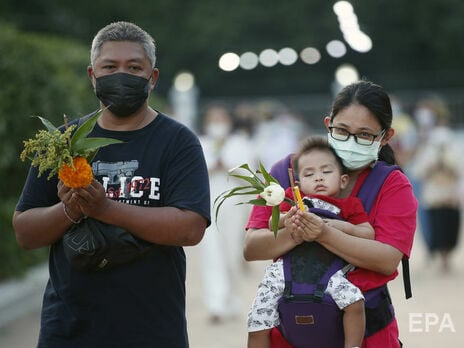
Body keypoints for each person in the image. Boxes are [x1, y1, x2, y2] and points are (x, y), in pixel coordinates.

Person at [12, 21, 210, 348]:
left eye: (134, 67)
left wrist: (105, 208)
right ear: (93, 75)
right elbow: (25, 232)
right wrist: (70, 210)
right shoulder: (62, 143)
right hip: (69, 331)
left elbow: (190, 229)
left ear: (152, 77)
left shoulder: (178, 142)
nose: (122, 75)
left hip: (152, 331)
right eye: (110, 66)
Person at [244, 80, 418, 348]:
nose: (351, 141)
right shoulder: (289, 170)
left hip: (367, 333)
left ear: (386, 136)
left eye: (365, 135)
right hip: (291, 330)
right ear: (328, 125)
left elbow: (386, 259)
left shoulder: (391, 185)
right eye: (342, 130)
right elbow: (252, 247)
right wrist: (296, 231)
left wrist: (324, 233)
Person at [247, 136, 374, 348]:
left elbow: (367, 233)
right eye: (309, 174)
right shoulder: (291, 199)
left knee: (355, 302)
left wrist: (341, 227)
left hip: (330, 270)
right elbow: (271, 224)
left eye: (326, 171)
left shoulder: (349, 205)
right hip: (285, 269)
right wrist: (288, 218)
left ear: (343, 180)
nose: (318, 178)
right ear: (298, 183)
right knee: (258, 316)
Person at [198, 104, 255, 323]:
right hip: (208, 207)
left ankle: (232, 300)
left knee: (232, 255)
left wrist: (229, 166)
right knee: (212, 254)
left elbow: (251, 175)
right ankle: (215, 304)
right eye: (213, 119)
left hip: (235, 207)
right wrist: (213, 166)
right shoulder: (200, 143)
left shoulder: (240, 143)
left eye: (221, 118)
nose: (217, 123)